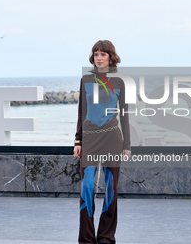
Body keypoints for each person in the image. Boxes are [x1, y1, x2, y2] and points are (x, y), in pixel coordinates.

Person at [74, 40, 131, 244]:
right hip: (89, 140)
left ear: (111, 57)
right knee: (87, 187)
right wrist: (77, 140)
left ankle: (106, 236)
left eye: (103, 54)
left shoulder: (119, 83)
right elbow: (82, 111)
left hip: (112, 140)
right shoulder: (86, 80)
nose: (98, 57)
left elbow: (124, 116)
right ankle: (87, 238)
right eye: (96, 54)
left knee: (111, 188)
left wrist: (127, 145)